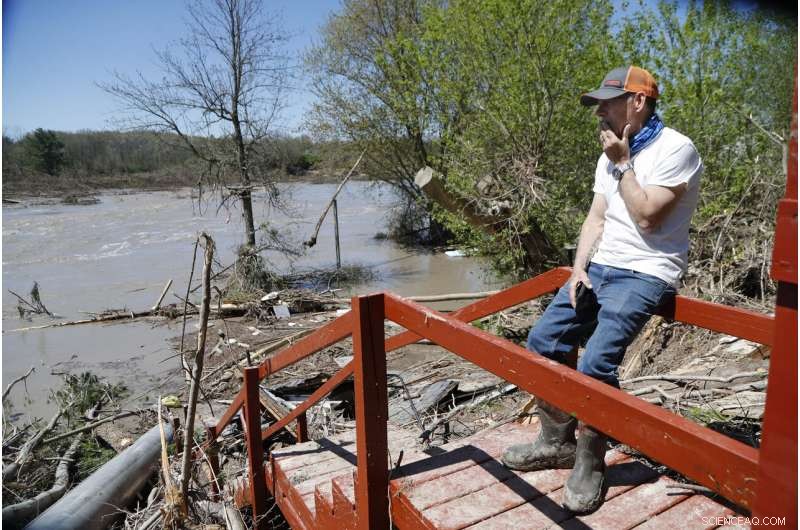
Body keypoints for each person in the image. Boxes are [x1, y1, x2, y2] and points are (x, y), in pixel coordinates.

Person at [501, 66, 703, 513]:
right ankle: (557, 442)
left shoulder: (677, 149)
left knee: (596, 363)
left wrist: (624, 164)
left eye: (607, 103)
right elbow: (596, 217)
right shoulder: (607, 155)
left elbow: (649, 216)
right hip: (601, 268)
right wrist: (577, 269)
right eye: (596, 105)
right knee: (543, 342)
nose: (599, 113)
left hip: (647, 272)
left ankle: (592, 460)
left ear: (637, 102)